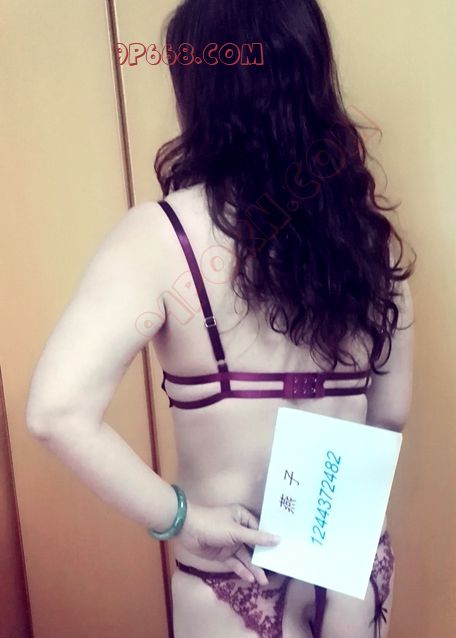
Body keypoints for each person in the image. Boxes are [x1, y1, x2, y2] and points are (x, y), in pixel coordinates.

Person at [26, 1, 415, 637]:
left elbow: (55, 412)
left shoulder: (162, 237)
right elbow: (391, 410)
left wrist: (177, 517)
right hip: (351, 558)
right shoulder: (366, 235)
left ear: (201, 90)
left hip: (231, 571)